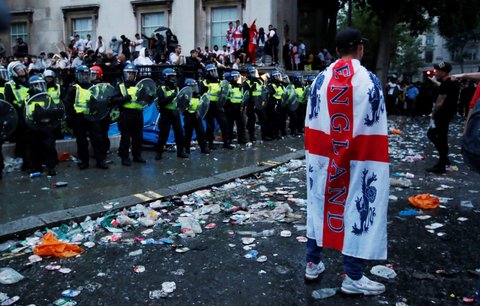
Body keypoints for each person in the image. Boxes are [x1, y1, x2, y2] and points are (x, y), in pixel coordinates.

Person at [304, 27, 389, 296]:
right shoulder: (369, 80)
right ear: (360, 48)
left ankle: (312, 263)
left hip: (321, 157)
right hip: (357, 159)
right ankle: (353, 276)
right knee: (357, 206)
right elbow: (375, 125)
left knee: (318, 202)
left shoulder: (319, 79)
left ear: (338, 50)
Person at [64, 65, 109, 170]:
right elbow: (68, 104)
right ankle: (83, 161)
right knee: (81, 141)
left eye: (87, 74)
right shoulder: (74, 88)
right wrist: (71, 117)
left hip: (93, 117)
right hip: (79, 118)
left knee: (97, 139)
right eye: (83, 74)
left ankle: (100, 160)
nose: (85, 76)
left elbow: (101, 100)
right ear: (78, 75)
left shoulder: (94, 87)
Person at [426, 61, 459, 174]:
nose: (435, 72)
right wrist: (435, 82)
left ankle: (443, 162)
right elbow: (444, 88)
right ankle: (444, 162)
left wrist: (433, 113)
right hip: (448, 114)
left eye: (437, 70)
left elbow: (439, 103)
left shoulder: (446, 84)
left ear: (443, 72)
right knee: (442, 137)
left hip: (442, 114)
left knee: (432, 134)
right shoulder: (451, 82)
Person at [111, 64, 146, 166]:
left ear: (135, 75)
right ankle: (124, 157)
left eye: (132, 73)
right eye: (128, 73)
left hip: (138, 114)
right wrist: (123, 99)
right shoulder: (120, 86)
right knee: (125, 137)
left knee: (138, 137)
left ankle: (137, 156)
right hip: (126, 114)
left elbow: (145, 98)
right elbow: (113, 100)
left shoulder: (140, 85)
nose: (130, 75)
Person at [25, 75, 60, 176]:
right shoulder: (27, 98)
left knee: (49, 147)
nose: (39, 87)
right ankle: (36, 167)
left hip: (46, 126)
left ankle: (51, 167)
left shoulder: (47, 97)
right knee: (34, 148)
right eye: (36, 85)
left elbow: (54, 111)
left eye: (41, 85)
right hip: (33, 127)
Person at [154, 68, 188, 160]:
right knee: (163, 134)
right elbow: (161, 102)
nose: (173, 78)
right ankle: (159, 153)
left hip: (175, 113)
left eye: (174, 76)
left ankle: (180, 152)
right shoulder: (161, 88)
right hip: (165, 113)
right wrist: (171, 97)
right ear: (165, 77)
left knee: (179, 133)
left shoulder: (176, 88)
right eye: (171, 76)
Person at [200, 64, 234, 150]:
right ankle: (210, 143)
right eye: (212, 71)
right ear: (207, 73)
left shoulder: (219, 81)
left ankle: (226, 143)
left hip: (218, 105)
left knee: (224, 123)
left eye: (215, 71)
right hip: (209, 105)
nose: (214, 73)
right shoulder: (204, 82)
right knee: (210, 125)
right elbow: (201, 95)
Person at [4, 61, 30, 170]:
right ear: (13, 72)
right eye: (17, 69)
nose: (21, 70)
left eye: (21, 68)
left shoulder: (30, 81)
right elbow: (9, 102)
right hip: (20, 116)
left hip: (32, 115)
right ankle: (24, 162)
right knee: (22, 141)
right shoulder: (10, 85)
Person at [182, 78, 209, 155]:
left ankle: (204, 148)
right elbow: (181, 107)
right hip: (188, 115)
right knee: (188, 133)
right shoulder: (185, 96)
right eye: (192, 86)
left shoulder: (197, 95)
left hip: (197, 115)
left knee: (201, 132)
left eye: (195, 86)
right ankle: (186, 149)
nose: (194, 88)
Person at [243, 66, 265, 142]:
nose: (254, 74)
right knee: (252, 120)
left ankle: (264, 135)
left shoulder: (260, 81)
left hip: (258, 102)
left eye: (254, 72)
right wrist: (250, 89)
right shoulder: (246, 83)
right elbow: (245, 95)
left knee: (263, 118)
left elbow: (262, 92)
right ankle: (252, 136)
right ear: (248, 73)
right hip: (251, 103)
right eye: (252, 72)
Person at [226, 70, 246, 144]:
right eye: (235, 77)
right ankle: (229, 141)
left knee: (241, 125)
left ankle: (242, 140)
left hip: (239, 108)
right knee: (229, 126)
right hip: (230, 108)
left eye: (238, 77)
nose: (237, 78)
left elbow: (243, 96)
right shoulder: (229, 86)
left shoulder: (241, 86)